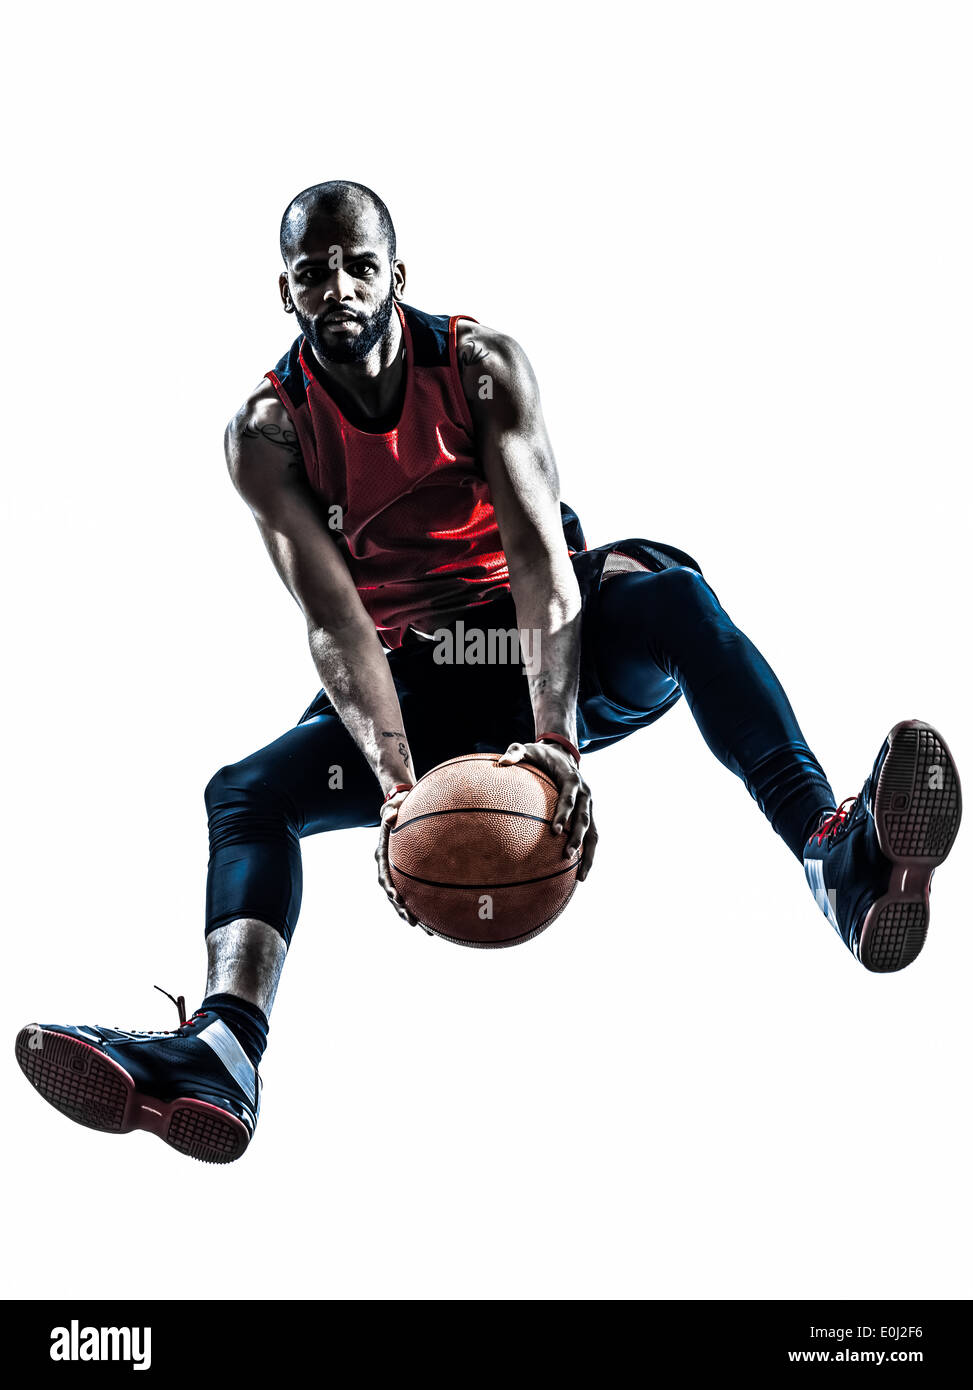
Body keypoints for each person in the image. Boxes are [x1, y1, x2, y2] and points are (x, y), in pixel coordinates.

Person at [16, 181, 962, 1164]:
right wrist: (393, 792)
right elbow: (336, 624)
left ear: (398, 275)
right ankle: (224, 1047)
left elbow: (541, 565)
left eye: (357, 266)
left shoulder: (476, 367)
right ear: (284, 293)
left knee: (669, 591)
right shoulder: (267, 432)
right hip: (413, 684)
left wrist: (556, 749)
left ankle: (830, 853)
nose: (335, 285)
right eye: (310, 273)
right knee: (245, 793)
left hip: (536, 647)